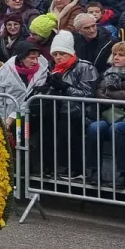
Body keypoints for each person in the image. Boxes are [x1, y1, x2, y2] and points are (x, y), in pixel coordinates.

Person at [86, 42, 125, 184]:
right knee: (94, 127)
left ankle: (124, 173)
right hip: (110, 115)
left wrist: (111, 93)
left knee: (118, 128)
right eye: (115, 54)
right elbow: (99, 94)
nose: (116, 57)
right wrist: (121, 95)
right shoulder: (109, 72)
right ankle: (94, 171)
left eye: (121, 55)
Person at [37, 31, 98, 180]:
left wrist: (65, 87)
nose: (58, 57)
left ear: (70, 53)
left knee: (68, 125)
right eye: (55, 54)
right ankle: (48, 166)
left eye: (62, 53)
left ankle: (76, 168)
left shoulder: (84, 67)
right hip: (57, 109)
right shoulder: (52, 68)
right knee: (43, 124)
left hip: (79, 111)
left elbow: (88, 93)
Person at [0, 40, 49, 128]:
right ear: (21, 58)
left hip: (32, 117)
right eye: (31, 58)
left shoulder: (43, 70)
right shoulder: (4, 71)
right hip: (6, 119)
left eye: (37, 58)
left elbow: (32, 98)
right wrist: (2, 121)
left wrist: (12, 117)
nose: (36, 62)